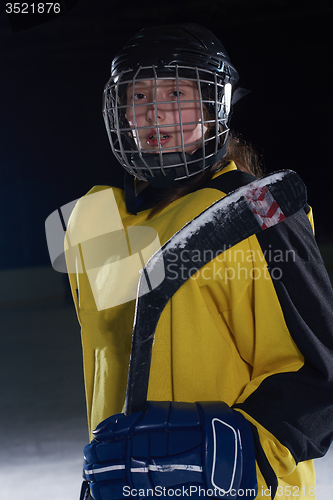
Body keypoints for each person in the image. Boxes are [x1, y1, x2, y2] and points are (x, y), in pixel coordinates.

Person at [64, 24, 333, 500]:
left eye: (176, 91)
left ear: (215, 108)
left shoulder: (259, 211)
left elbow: (321, 373)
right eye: (139, 93)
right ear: (121, 112)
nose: (154, 109)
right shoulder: (95, 222)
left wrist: (236, 461)